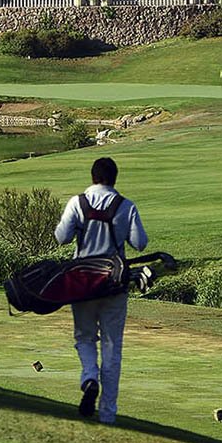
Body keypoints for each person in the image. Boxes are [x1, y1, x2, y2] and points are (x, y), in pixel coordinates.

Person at [53, 157, 147, 424]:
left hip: (82, 282)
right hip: (114, 286)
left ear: (93, 176)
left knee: (84, 337)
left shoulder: (77, 202)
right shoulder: (126, 206)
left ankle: (89, 376)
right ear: (115, 178)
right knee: (112, 347)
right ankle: (108, 414)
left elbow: (61, 237)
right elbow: (140, 243)